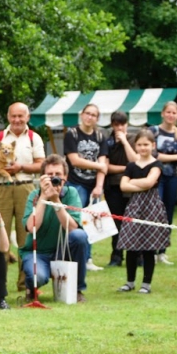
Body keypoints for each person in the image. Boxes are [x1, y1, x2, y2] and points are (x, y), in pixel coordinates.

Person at [0, 102, 45, 291]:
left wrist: (20, 167)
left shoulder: (33, 137)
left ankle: (27, 283)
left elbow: (41, 164)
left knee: (27, 237)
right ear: (8, 117)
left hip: (25, 187)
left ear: (27, 117)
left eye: (21, 116)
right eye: (13, 116)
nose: (17, 120)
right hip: (1, 188)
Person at [20, 154, 90, 302]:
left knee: (79, 236)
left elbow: (72, 228)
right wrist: (44, 198)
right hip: (38, 252)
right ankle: (31, 288)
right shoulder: (34, 195)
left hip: (62, 250)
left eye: (58, 175)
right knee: (38, 277)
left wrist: (56, 200)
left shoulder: (71, 193)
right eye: (49, 175)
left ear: (65, 177)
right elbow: (31, 228)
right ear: (42, 178)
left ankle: (77, 289)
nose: (54, 178)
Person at [116, 129, 170, 294]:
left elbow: (149, 182)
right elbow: (123, 186)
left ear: (153, 145)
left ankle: (146, 283)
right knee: (131, 245)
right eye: (139, 145)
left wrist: (132, 181)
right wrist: (137, 182)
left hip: (151, 206)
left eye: (146, 144)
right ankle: (130, 281)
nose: (142, 148)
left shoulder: (156, 164)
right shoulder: (131, 165)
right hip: (134, 206)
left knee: (149, 247)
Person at [63, 103, 109, 271]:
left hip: (93, 185)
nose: (90, 117)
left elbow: (104, 162)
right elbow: (74, 160)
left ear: (97, 118)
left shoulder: (100, 136)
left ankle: (88, 259)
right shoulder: (72, 134)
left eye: (94, 115)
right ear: (82, 115)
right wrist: (98, 166)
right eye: (87, 113)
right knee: (76, 221)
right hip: (76, 183)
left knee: (93, 223)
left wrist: (99, 186)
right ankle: (72, 257)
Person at [148, 101, 177, 265]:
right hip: (156, 176)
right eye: (168, 112)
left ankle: (162, 251)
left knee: (168, 213)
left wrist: (172, 157)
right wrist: (174, 157)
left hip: (172, 177)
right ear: (162, 113)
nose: (171, 115)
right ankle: (150, 249)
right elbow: (154, 154)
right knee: (156, 210)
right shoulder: (154, 131)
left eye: (174, 113)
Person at [103, 111, 137, 267]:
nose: (119, 128)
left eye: (122, 124)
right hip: (113, 187)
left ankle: (137, 256)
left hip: (132, 186)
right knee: (116, 222)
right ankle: (116, 256)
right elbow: (106, 167)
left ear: (127, 124)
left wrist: (124, 142)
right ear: (112, 125)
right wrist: (126, 168)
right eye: (116, 125)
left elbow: (135, 161)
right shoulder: (106, 141)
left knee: (133, 222)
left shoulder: (134, 138)